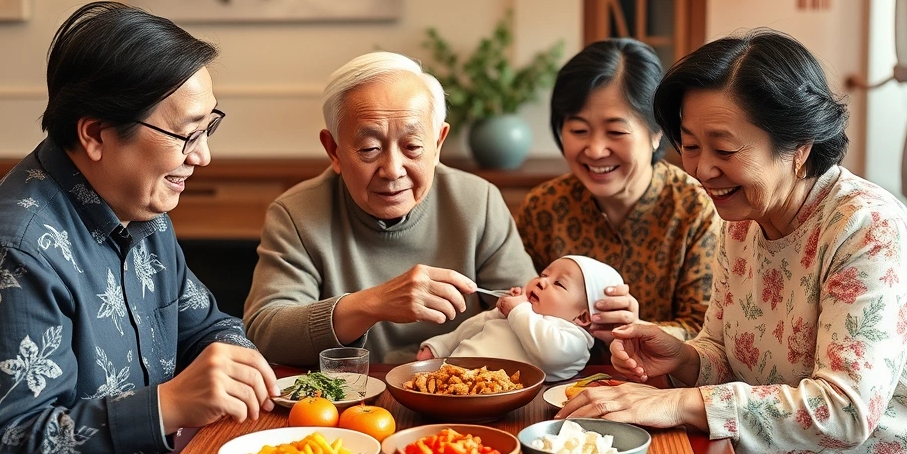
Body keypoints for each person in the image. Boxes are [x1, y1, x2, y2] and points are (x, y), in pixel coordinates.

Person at [558, 29, 907, 454]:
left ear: (799, 147)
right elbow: (725, 352)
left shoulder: (867, 228)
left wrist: (679, 402)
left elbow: (844, 411)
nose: (700, 170)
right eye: (690, 146)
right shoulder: (741, 221)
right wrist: (683, 358)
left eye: (725, 149)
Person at [0, 2, 280, 454]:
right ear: (96, 134)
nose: (203, 155)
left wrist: (239, 369)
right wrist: (167, 405)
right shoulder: (13, 256)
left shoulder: (139, 207)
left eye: (208, 128)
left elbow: (204, 327)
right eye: (187, 134)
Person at [243, 51, 642, 366]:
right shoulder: (296, 213)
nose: (392, 170)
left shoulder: (477, 201)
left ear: (438, 143)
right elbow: (265, 331)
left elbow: (535, 315)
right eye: (369, 149)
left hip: (466, 398)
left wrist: (607, 324)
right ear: (333, 150)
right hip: (350, 403)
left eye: (413, 147)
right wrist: (372, 303)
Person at [516, 39, 717, 343]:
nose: (595, 150)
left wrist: (638, 329)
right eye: (579, 131)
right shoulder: (544, 206)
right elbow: (519, 307)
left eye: (616, 132)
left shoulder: (695, 209)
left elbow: (707, 335)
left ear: (656, 131)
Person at [416, 255, 624, 382]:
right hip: (452, 377)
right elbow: (473, 327)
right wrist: (440, 346)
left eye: (558, 284)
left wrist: (518, 310)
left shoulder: (574, 338)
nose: (542, 282)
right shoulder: (522, 314)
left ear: (582, 316)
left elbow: (551, 354)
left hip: (519, 404)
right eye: (543, 274)